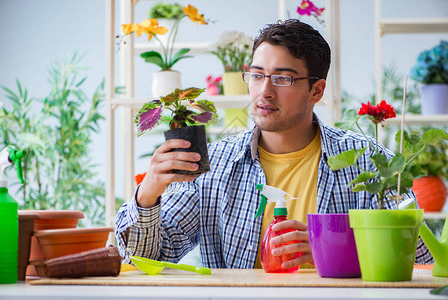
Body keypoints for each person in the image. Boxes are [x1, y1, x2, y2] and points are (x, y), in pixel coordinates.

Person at [115, 19, 433, 269]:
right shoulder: (214, 166)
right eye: (256, 74)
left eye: (282, 78)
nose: (264, 91)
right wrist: (148, 194)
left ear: (316, 91)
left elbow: (422, 260)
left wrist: (336, 250)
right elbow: (146, 258)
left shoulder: (368, 162)